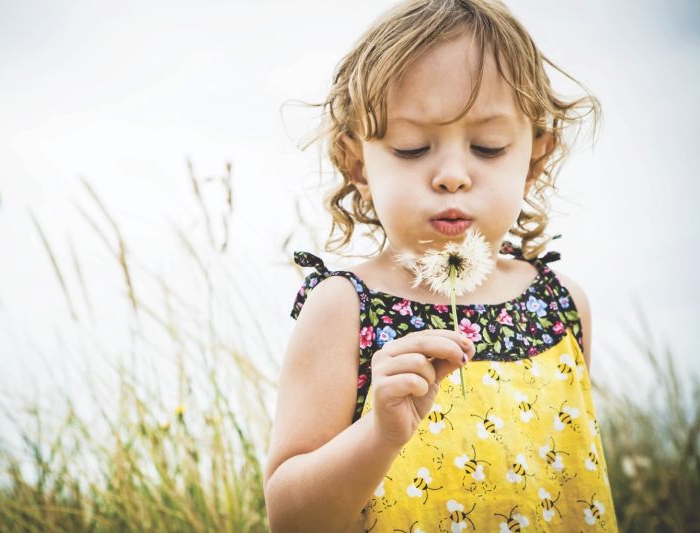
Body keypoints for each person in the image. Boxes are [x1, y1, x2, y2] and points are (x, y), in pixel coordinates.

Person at [264, 0, 617, 531]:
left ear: (535, 158)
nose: (452, 175)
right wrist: (378, 434)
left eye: (488, 146)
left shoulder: (562, 306)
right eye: (411, 148)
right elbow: (290, 519)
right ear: (358, 163)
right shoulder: (344, 309)